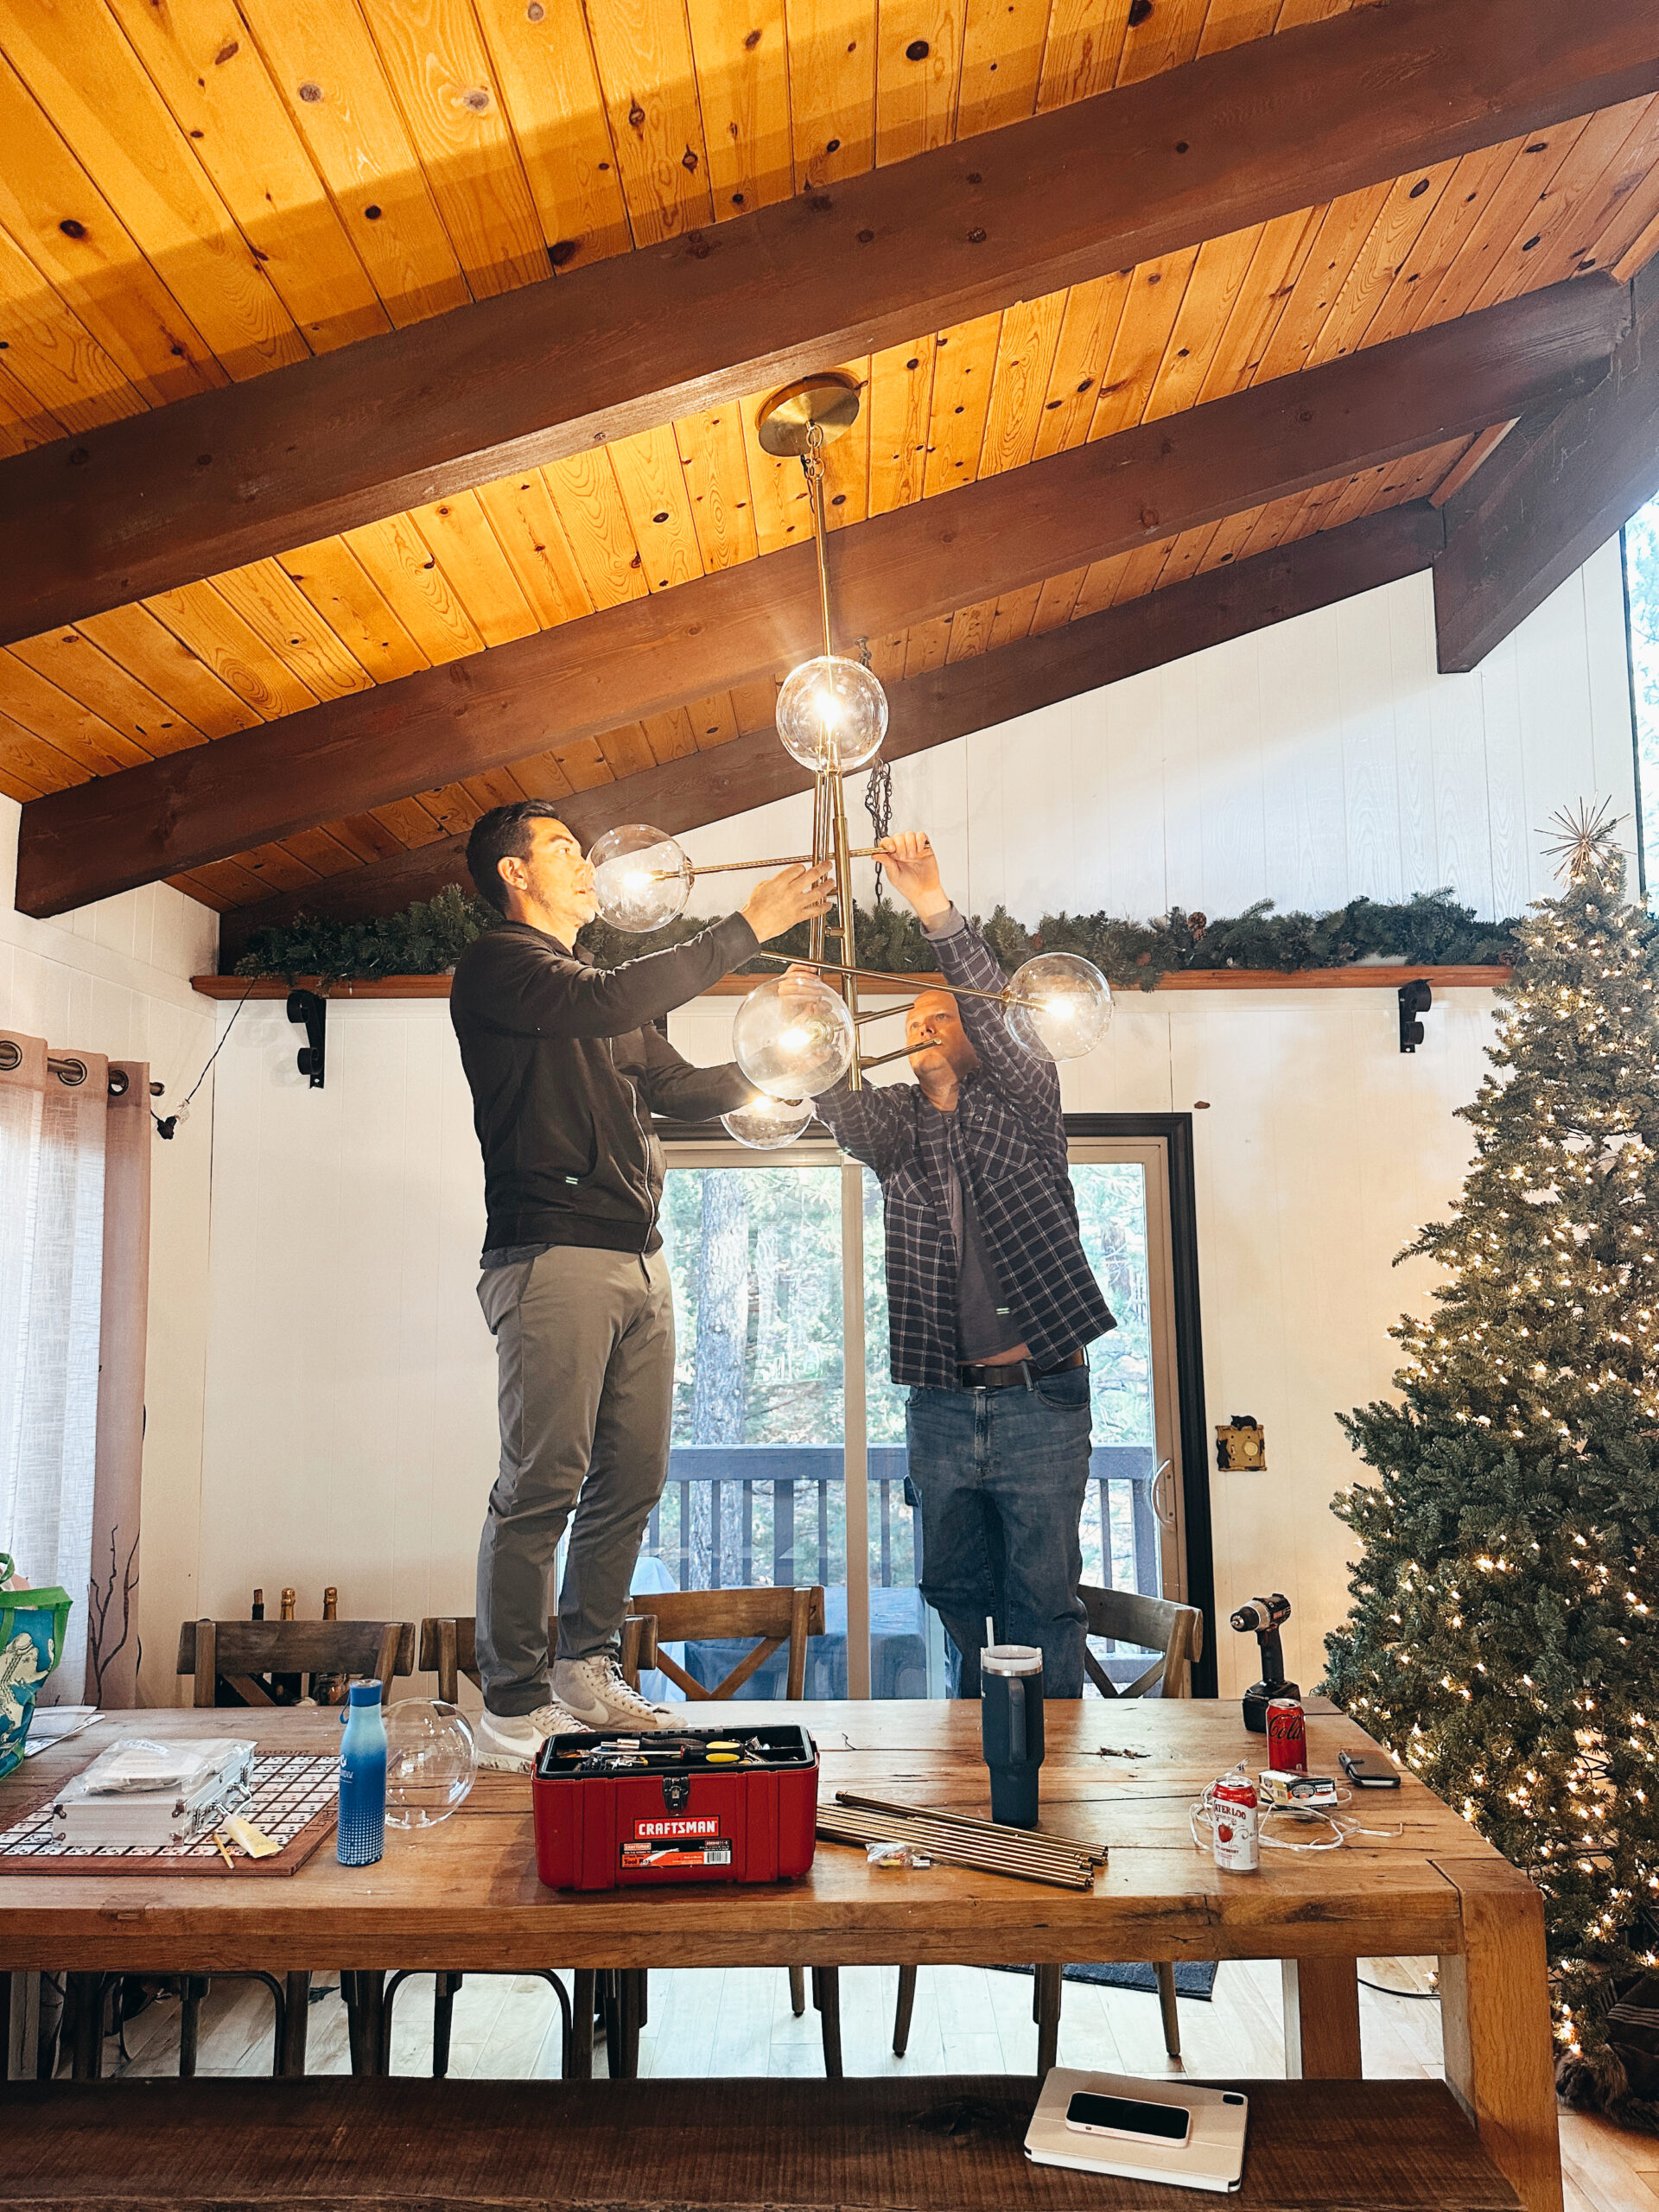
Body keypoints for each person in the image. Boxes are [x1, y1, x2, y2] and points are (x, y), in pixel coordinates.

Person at [450, 800, 831, 1770]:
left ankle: (584, 1664)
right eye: (564, 850)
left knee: (635, 1475)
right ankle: (512, 1701)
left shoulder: (596, 991)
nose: (585, 863)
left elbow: (677, 1089)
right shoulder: (503, 965)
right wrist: (746, 927)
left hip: (638, 1252)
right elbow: (609, 1003)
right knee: (542, 1482)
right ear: (514, 874)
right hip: (551, 1250)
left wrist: (776, 1056)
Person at [806, 831, 1114, 1698]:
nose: (925, 1028)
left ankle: (1048, 1770)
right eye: (911, 1023)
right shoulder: (897, 1128)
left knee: (1041, 1597)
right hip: (941, 1400)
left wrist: (934, 904)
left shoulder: (1024, 1099)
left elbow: (993, 1014)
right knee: (952, 1589)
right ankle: (969, 1748)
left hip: (1040, 1398)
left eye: (941, 1017)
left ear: (976, 1035)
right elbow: (834, 1093)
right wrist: (814, 1016)